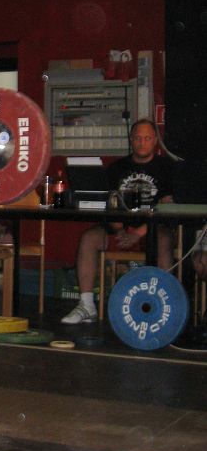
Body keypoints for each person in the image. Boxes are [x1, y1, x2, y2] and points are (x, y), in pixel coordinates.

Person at [62, 118, 174, 324]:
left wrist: (138, 233)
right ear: (131, 139)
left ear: (155, 141)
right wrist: (120, 229)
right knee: (88, 238)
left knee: (164, 240)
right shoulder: (116, 168)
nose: (142, 143)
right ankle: (86, 305)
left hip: (152, 227)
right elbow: (109, 202)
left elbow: (167, 206)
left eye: (147, 138)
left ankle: (164, 304)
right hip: (119, 227)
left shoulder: (166, 167)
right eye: (138, 138)